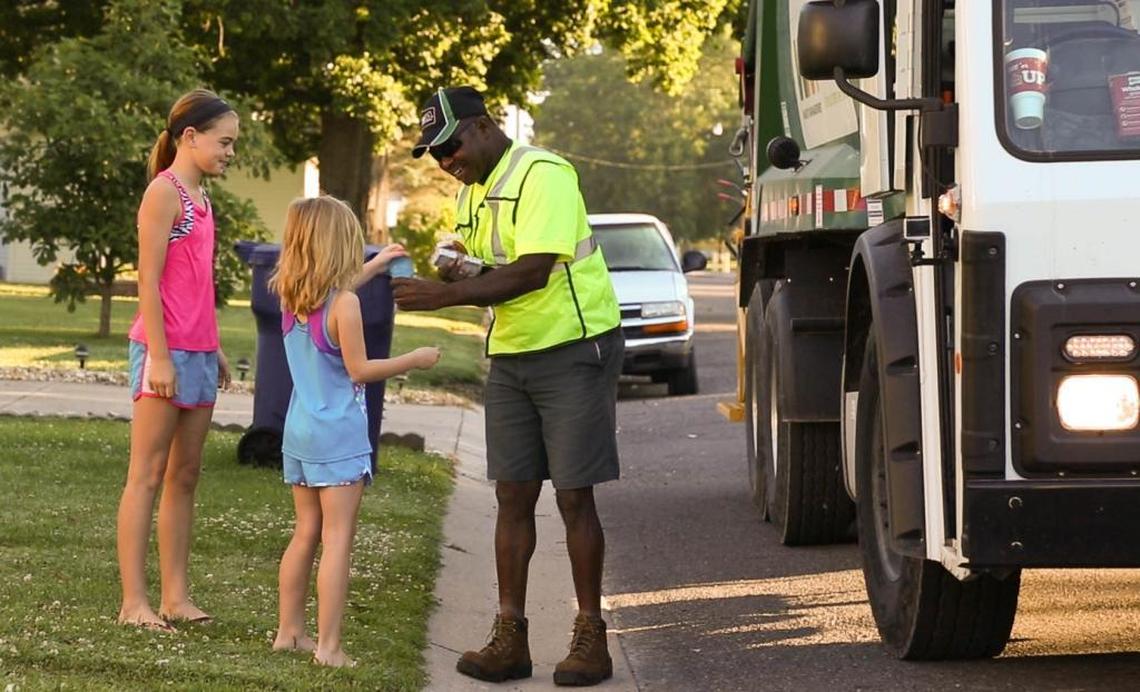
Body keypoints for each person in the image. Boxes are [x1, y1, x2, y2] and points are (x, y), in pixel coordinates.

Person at [394, 86, 623, 687]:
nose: (446, 162)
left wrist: (443, 293)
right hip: (514, 354)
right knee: (512, 496)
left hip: (574, 347)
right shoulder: (472, 191)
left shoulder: (543, 173)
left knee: (574, 496)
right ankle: (509, 637)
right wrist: (452, 257)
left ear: (485, 126)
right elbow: (476, 255)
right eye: (434, 155)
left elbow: (532, 270)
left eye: (451, 145)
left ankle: (590, 637)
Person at [268, 195, 441, 667]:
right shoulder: (343, 305)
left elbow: (341, 288)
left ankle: (289, 632)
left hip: (300, 432)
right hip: (338, 435)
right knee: (338, 537)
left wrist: (379, 262)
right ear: (340, 246)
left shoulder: (290, 295)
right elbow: (360, 369)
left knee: (306, 531)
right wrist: (415, 359)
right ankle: (329, 647)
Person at [117, 89, 238, 632]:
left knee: (185, 476)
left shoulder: (203, 197)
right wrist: (159, 360)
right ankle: (133, 603)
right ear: (190, 137)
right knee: (145, 475)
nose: (230, 152)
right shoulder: (163, 193)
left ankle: (174, 597)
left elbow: (196, 282)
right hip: (162, 352)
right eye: (225, 141)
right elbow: (148, 279)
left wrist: (212, 349)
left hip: (197, 349)